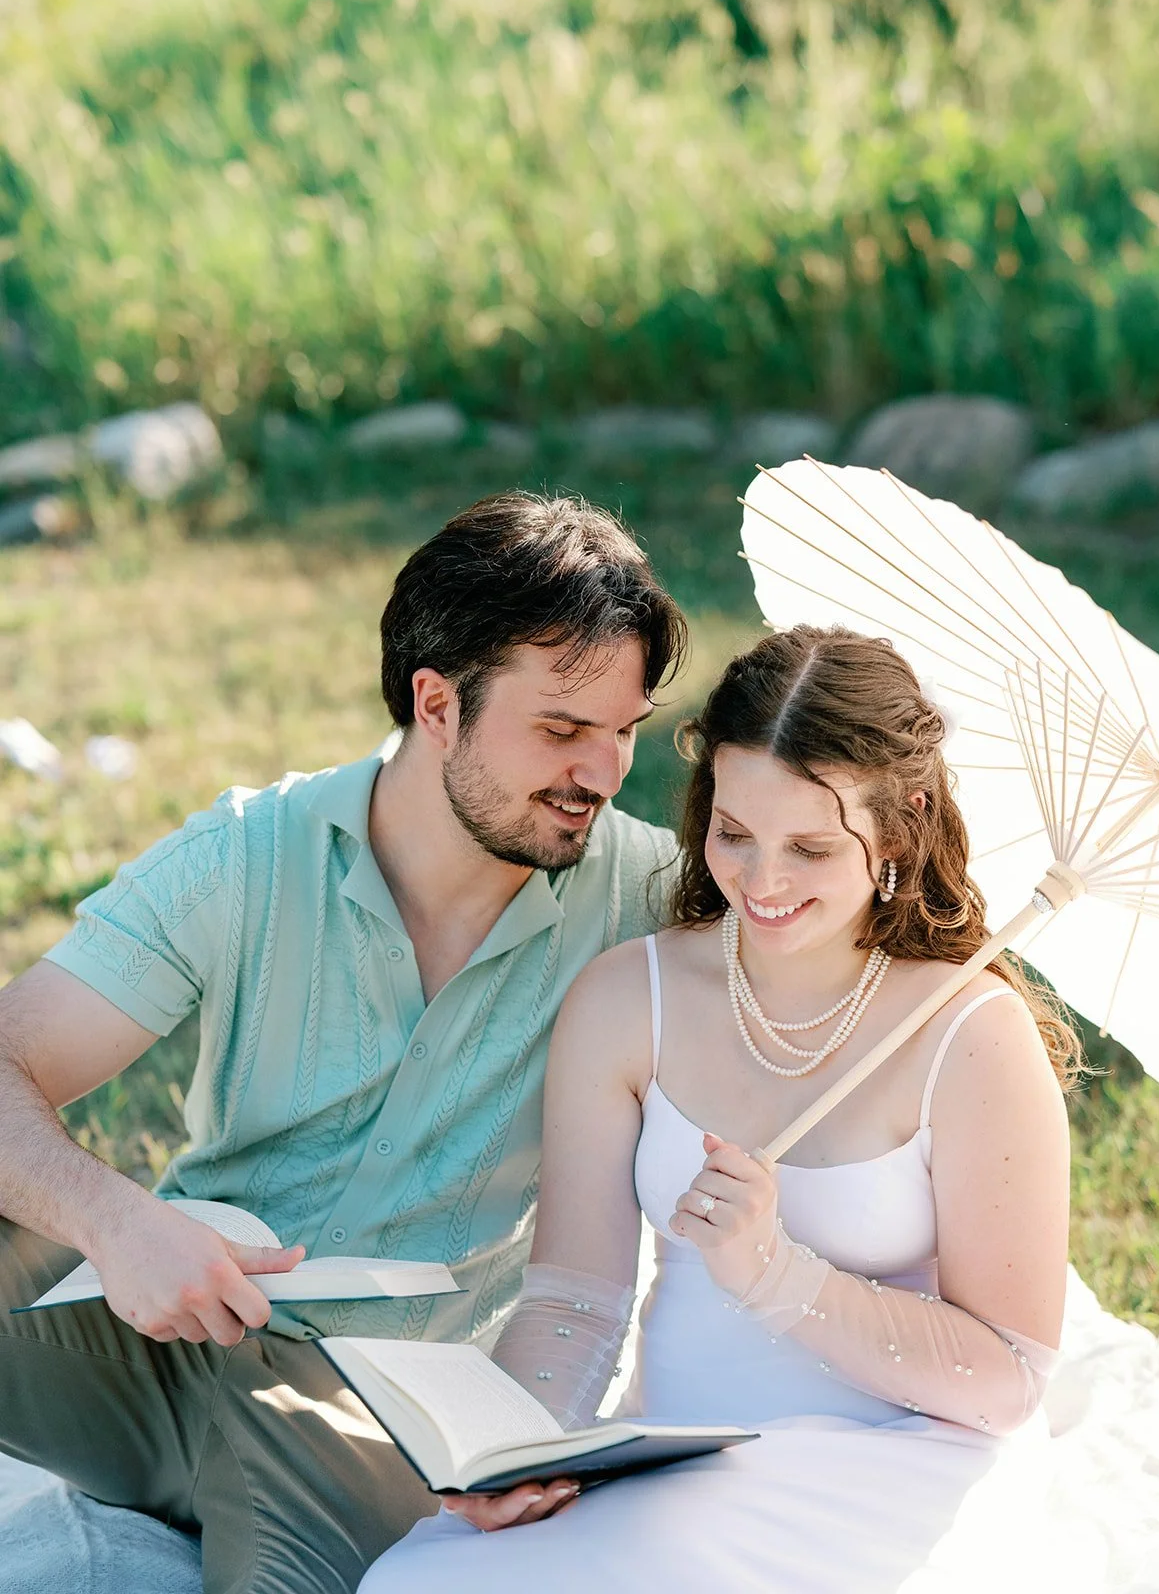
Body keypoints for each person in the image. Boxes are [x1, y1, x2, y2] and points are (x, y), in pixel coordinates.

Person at [0, 491, 688, 1594]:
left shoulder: (648, 897)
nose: (600, 774)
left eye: (623, 733)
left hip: (375, 1425)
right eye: (561, 730)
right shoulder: (245, 856)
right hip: (161, 1346)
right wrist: (118, 1223)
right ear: (436, 704)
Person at [361, 622, 1080, 1594]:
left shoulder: (970, 1038)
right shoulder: (629, 999)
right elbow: (576, 1298)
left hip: (899, 1471)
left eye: (810, 848)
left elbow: (1007, 1376)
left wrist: (778, 1274)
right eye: (733, 833)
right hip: (673, 1473)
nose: (762, 882)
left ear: (899, 826)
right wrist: (517, 1451)